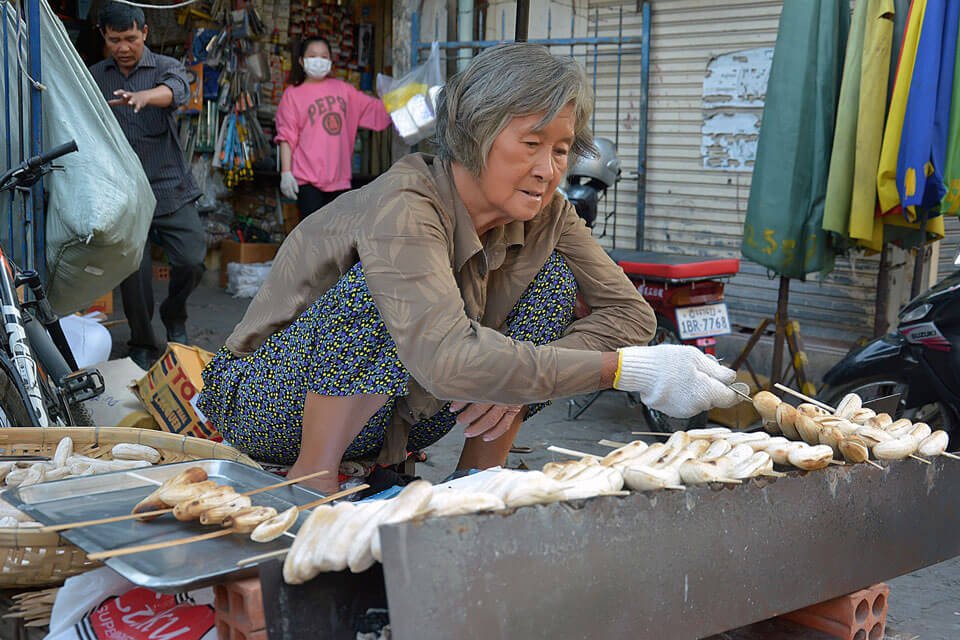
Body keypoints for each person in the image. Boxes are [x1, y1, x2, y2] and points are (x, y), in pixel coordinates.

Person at [198, 44, 739, 494]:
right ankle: (312, 481)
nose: (548, 170)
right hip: (269, 403)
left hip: (403, 414)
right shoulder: (405, 205)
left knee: (550, 283)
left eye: (561, 150)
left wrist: (512, 385)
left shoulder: (549, 212)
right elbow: (447, 358)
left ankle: (477, 480)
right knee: (382, 294)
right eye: (531, 144)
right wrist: (625, 371)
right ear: (475, 133)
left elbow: (629, 313)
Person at [89, 2, 206, 371]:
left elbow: (178, 91)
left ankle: (176, 315)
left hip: (170, 186)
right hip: (124, 196)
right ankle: (142, 341)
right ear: (104, 38)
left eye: (130, 38)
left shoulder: (166, 68)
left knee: (192, 259)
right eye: (114, 40)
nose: (123, 47)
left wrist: (144, 96)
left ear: (144, 33)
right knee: (133, 276)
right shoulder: (93, 76)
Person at [276, 36, 392, 220]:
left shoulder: (345, 91)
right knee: (313, 240)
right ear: (301, 60)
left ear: (330, 61)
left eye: (324, 56)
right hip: (307, 181)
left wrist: (404, 102)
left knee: (338, 242)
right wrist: (286, 172)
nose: (319, 60)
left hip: (340, 180)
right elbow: (286, 137)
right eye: (313, 55)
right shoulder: (293, 95)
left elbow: (377, 110)